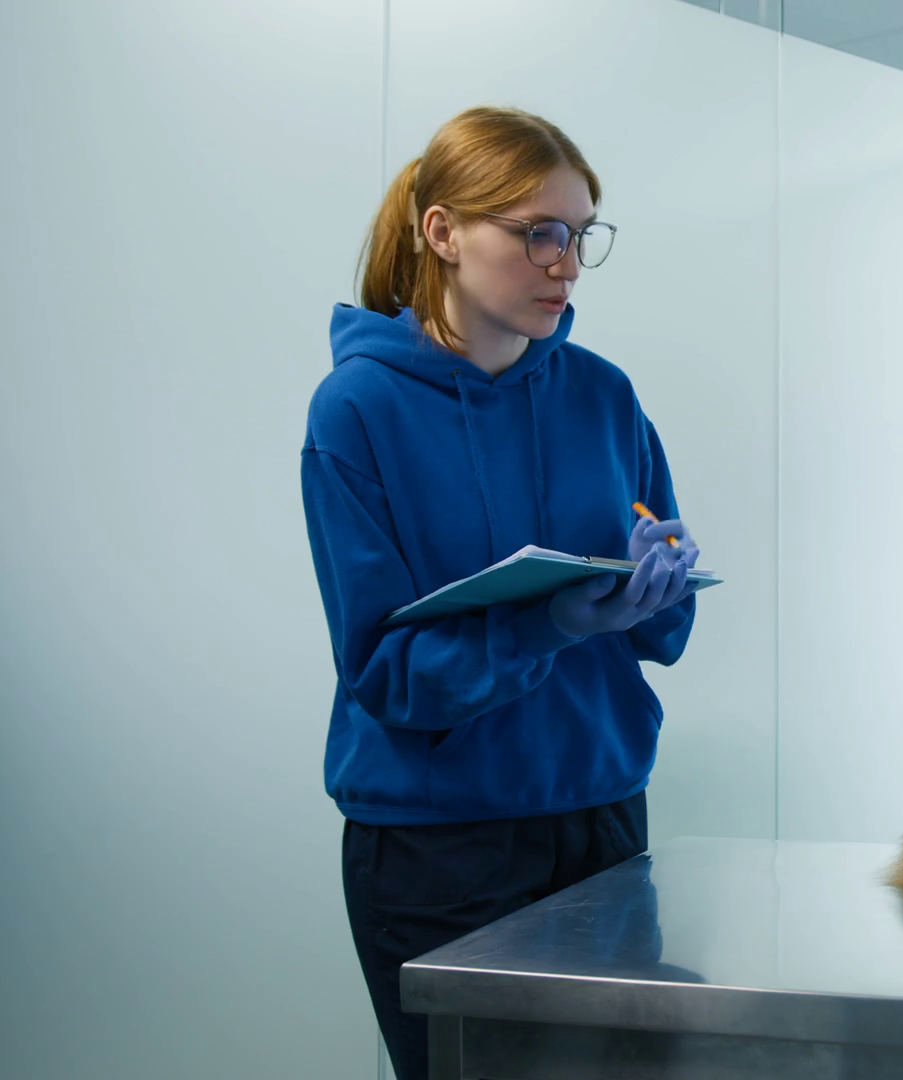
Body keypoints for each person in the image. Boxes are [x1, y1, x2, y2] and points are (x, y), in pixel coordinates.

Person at [301, 105, 699, 1079]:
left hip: (604, 821)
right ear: (442, 232)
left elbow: (667, 632)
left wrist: (662, 585)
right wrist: (549, 622)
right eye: (539, 234)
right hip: (441, 850)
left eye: (581, 235)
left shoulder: (604, 395)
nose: (565, 263)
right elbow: (388, 678)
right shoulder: (357, 411)